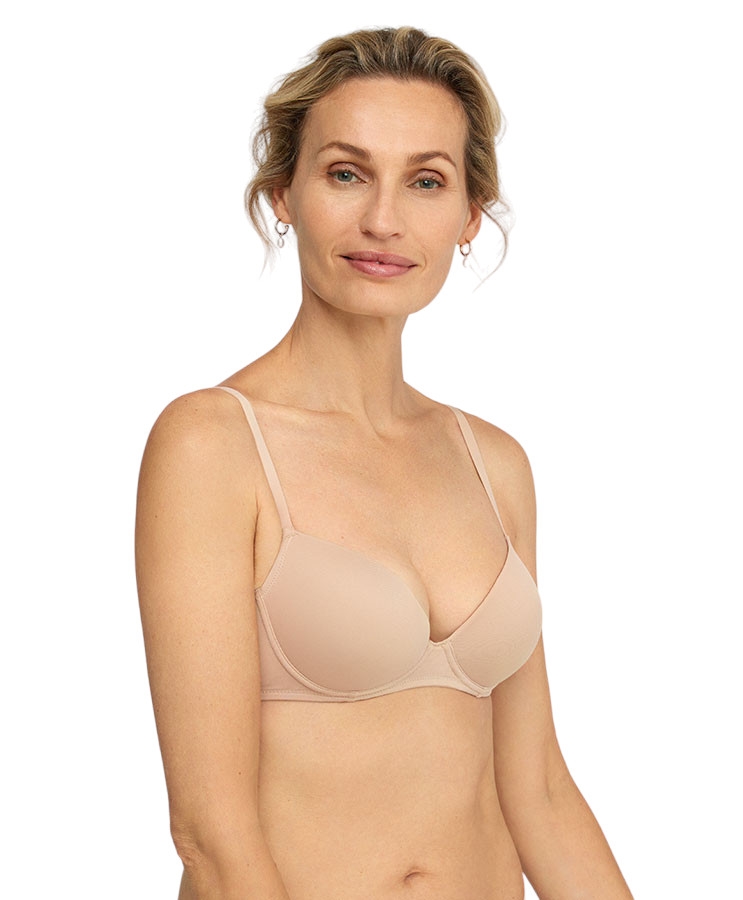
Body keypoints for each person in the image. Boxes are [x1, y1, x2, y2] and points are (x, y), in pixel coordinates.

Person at [136, 26, 633, 900]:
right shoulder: (212, 445)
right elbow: (211, 834)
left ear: (469, 214)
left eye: (426, 181)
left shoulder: (494, 464)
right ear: (284, 192)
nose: (383, 220)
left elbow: (542, 794)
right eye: (346, 173)